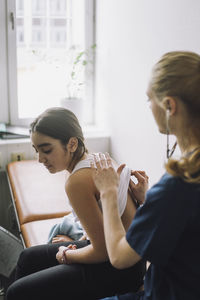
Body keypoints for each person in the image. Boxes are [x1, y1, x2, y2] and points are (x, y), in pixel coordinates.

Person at [90, 51, 200, 300]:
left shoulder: (177, 185)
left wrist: (108, 192)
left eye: (149, 99)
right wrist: (150, 198)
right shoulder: (182, 182)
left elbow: (120, 256)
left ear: (169, 105)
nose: (149, 106)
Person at [6, 107, 148, 300]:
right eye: (36, 150)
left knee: (17, 292)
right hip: (128, 259)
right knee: (27, 257)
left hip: (119, 269)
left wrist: (66, 254)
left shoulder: (77, 182)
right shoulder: (97, 162)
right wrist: (80, 243)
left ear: (72, 144)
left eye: (46, 150)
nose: (40, 159)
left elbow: (102, 251)